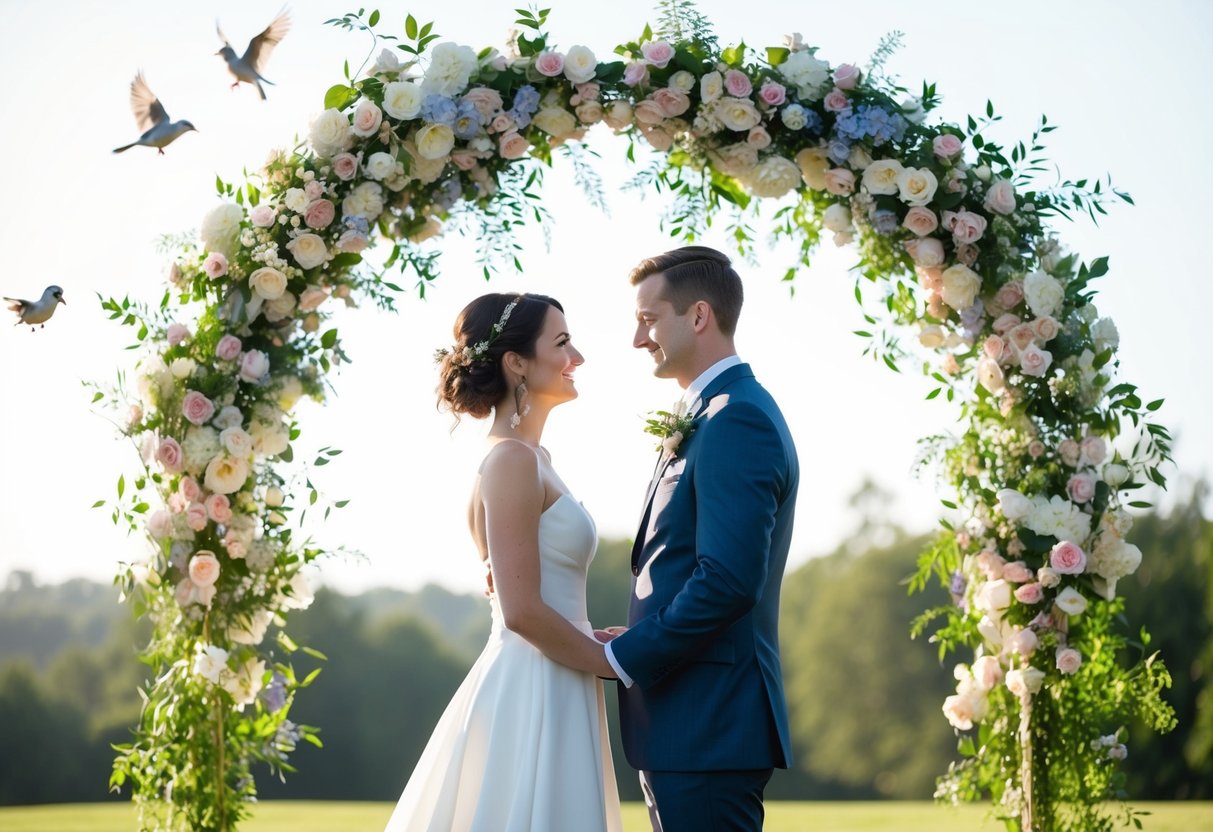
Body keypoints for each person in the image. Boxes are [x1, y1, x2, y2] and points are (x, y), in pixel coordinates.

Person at [385, 292, 622, 832]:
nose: (577, 356)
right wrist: (611, 663)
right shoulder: (512, 459)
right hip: (535, 683)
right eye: (562, 343)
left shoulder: (533, 458)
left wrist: (593, 637)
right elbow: (518, 611)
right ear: (516, 362)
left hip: (560, 671)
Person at [599, 246, 799, 832]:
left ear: (699, 316)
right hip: (687, 722)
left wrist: (624, 655)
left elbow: (729, 580)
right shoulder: (711, 411)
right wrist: (639, 631)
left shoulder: (737, 417)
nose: (638, 338)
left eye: (649, 318)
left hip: (709, 724)